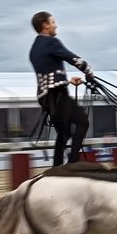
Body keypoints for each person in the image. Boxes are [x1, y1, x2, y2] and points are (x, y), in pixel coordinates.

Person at [30, 11, 93, 166]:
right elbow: (72, 58)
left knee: (63, 134)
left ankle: (57, 167)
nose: (55, 25)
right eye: (52, 22)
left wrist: (68, 81)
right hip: (58, 96)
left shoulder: (34, 48)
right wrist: (88, 71)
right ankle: (72, 163)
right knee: (82, 121)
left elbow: (49, 72)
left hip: (45, 97)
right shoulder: (51, 42)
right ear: (45, 25)